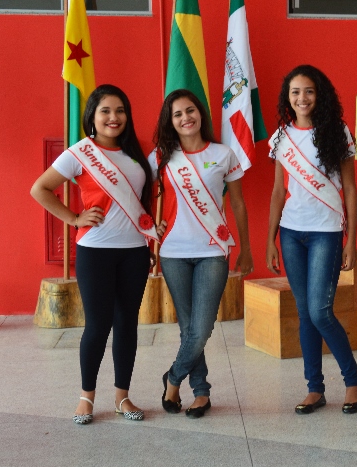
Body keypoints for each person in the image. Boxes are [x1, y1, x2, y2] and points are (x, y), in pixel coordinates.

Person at [30, 85, 159, 424]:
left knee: (127, 324)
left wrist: (148, 243)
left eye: (120, 110)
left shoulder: (137, 153)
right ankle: (86, 397)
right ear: (92, 116)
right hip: (95, 251)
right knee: (98, 325)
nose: (113, 117)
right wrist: (74, 218)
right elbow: (40, 188)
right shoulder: (80, 153)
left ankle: (122, 397)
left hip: (134, 252)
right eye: (105, 111)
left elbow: (145, 201)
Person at [266, 65, 357, 415]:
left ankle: (353, 381)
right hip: (291, 233)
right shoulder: (281, 137)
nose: (302, 98)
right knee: (305, 313)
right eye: (295, 92)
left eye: (308, 91)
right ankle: (314, 389)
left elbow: (350, 188)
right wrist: (270, 238)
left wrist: (352, 239)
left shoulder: (337, 132)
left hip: (327, 231)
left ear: (319, 95)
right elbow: (278, 191)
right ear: (287, 97)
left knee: (320, 311)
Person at [152, 89, 253, 419]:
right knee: (188, 329)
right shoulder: (161, 157)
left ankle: (172, 378)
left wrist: (246, 248)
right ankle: (201, 392)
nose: (186, 118)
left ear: (201, 114)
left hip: (213, 250)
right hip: (173, 251)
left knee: (202, 327)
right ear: (170, 122)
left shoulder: (224, 154)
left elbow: (238, 203)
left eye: (190, 110)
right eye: (178, 114)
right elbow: (138, 193)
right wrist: (150, 223)